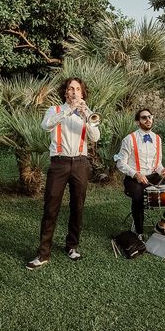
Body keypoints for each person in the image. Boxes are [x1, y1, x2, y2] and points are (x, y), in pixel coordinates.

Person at [26, 77, 100, 270]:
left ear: (82, 93)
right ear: (66, 92)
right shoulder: (55, 110)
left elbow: (96, 137)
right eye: (70, 89)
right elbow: (46, 126)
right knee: (51, 208)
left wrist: (85, 115)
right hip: (59, 163)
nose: (74, 92)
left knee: (78, 206)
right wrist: (69, 110)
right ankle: (43, 253)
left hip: (81, 163)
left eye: (77, 89)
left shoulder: (86, 113)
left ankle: (72, 246)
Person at [116, 108, 165, 240]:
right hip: (134, 178)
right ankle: (138, 232)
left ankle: (162, 225)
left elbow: (158, 164)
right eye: (144, 117)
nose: (148, 120)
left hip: (153, 176)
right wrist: (135, 174)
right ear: (137, 121)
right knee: (138, 197)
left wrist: (162, 171)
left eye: (150, 117)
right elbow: (120, 163)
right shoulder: (129, 139)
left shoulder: (157, 139)